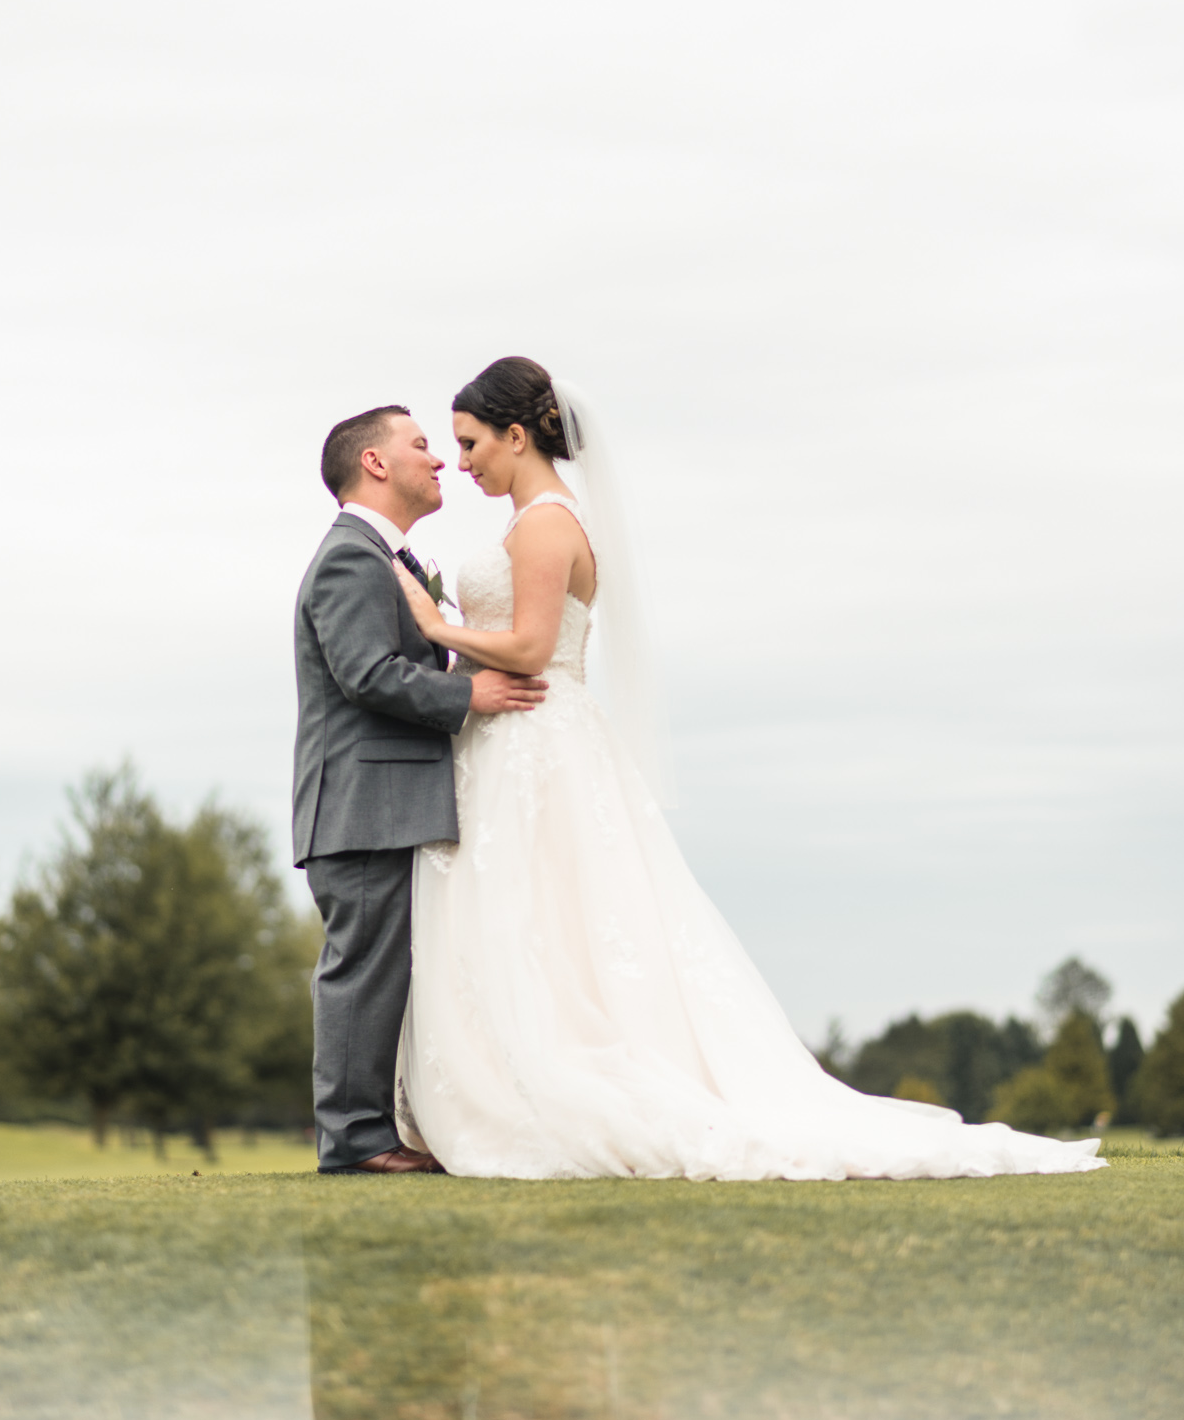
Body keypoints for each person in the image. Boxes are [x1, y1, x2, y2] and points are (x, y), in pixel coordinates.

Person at [391, 358, 1104, 1180]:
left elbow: (528, 649)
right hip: (511, 742)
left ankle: (542, 1094)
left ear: (516, 435)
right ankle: (505, 1086)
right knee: (531, 922)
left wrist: (433, 623)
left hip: (536, 740)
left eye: (472, 442)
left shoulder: (548, 524)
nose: (463, 461)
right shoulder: (534, 523)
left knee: (546, 918)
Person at [293, 404, 546, 1173]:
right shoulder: (349, 558)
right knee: (362, 968)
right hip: (364, 805)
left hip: (392, 801)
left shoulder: (390, 559)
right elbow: (365, 674)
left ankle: (384, 1127)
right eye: (421, 446)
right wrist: (468, 695)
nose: (440, 461)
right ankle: (355, 1139)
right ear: (374, 464)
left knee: (392, 966)